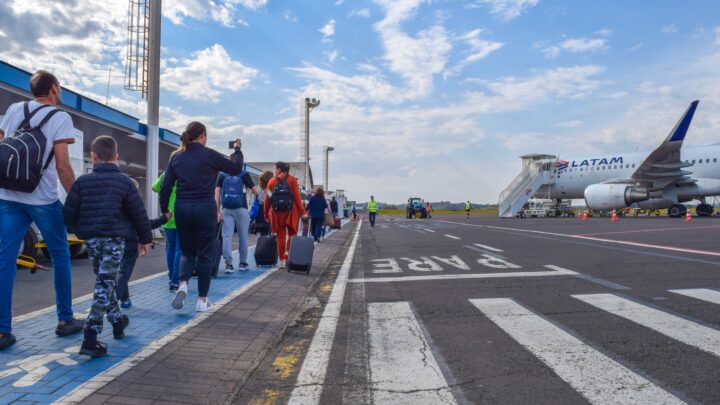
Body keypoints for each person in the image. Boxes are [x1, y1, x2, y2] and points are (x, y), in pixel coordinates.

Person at [0, 71, 85, 350]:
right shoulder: (60, 118)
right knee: (60, 254)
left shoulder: (14, 109)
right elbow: (62, 165)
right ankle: (65, 320)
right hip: (42, 199)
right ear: (54, 89)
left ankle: (2, 331)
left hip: (9, 196)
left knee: (5, 260)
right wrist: (76, 197)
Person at [63, 136, 152, 357]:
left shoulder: (82, 182)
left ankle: (118, 321)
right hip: (114, 239)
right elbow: (138, 214)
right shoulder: (124, 182)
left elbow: (69, 213)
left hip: (91, 239)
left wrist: (80, 230)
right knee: (104, 283)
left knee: (105, 281)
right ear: (117, 157)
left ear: (93, 157)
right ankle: (90, 336)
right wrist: (144, 238)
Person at [159, 123, 244, 312]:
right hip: (205, 208)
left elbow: (165, 186)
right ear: (203, 136)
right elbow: (235, 169)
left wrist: (164, 209)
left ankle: (182, 285)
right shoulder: (210, 155)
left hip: (182, 208)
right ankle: (202, 301)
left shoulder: (176, 156)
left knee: (187, 252)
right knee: (204, 254)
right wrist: (237, 150)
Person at [116, 178, 169, 308]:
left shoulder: (114, 203)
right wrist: (164, 219)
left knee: (118, 272)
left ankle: (125, 299)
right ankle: (113, 301)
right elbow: (145, 224)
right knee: (124, 272)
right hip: (129, 241)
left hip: (112, 241)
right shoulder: (134, 204)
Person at [263, 162, 307, 267]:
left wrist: (265, 214)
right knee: (292, 234)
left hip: (277, 213)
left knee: (280, 236)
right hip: (291, 212)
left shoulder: (271, 181)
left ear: (279, 169)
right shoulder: (292, 180)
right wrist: (303, 212)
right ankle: (288, 253)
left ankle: (282, 260)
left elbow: (267, 200)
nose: (273, 170)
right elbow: (297, 198)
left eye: (274, 168)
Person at [216, 169, 257, 273]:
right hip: (242, 208)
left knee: (227, 237)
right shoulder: (244, 174)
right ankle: (242, 263)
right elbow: (256, 191)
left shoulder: (222, 174)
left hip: (226, 209)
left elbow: (216, 193)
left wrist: (217, 211)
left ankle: (228, 264)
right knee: (243, 236)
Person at [153, 172, 182, 291]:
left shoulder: (166, 174)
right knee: (180, 249)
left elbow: (154, 187)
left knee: (171, 247)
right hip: (183, 215)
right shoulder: (186, 172)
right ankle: (176, 281)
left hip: (168, 216)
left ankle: (171, 279)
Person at [252, 171, 273, 236]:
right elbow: (271, 198)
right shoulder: (269, 189)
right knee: (268, 231)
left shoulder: (258, 187)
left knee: (263, 232)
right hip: (267, 210)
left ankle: (262, 243)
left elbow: (256, 198)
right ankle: (266, 244)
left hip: (259, 212)